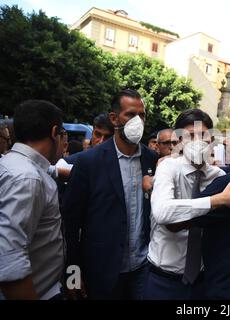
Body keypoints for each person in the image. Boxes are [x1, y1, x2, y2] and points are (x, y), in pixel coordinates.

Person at [144, 109, 230, 300]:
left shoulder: (221, 177)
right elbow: (164, 215)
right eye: (191, 135)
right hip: (164, 279)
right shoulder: (168, 167)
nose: (198, 141)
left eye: (203, 135)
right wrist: (218, 200)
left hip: (203, 282)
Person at [62, 89, 159, 299]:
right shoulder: (89, 162)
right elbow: (70, 223)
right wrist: (73, 275)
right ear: (114, 118)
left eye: (142, 115)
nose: (138, 121)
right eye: (131, 115)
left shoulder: (152, 159)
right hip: (101, 272)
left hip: (143, 269)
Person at [0, 100, 65, 299]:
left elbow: (48, 171)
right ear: (54, 133)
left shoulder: (13, 164)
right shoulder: (28, 179)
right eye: (63, 135)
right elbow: (9, 258)